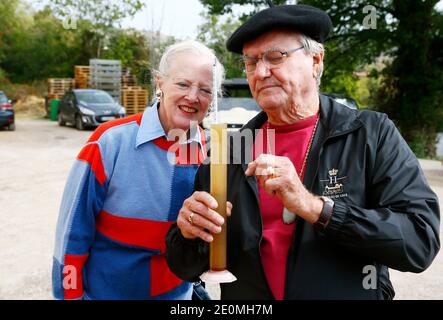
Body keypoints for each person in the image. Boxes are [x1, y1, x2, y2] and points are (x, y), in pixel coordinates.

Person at [165, 4, 440, 299]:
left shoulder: (369, 133)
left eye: (275, 57)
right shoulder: (229, 151)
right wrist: (188, 232)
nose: (260, 72)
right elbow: (187, 268)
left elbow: (419, 240)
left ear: (316, 60)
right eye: (251, 61)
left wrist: (317, 209)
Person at [52, 40, 224, 300]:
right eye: (182, 84)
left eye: (205, 89)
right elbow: (72, 233)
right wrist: (70, 296)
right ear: (159, 83)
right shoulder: (110, 141)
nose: (192, 96)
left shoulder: (213, 151)